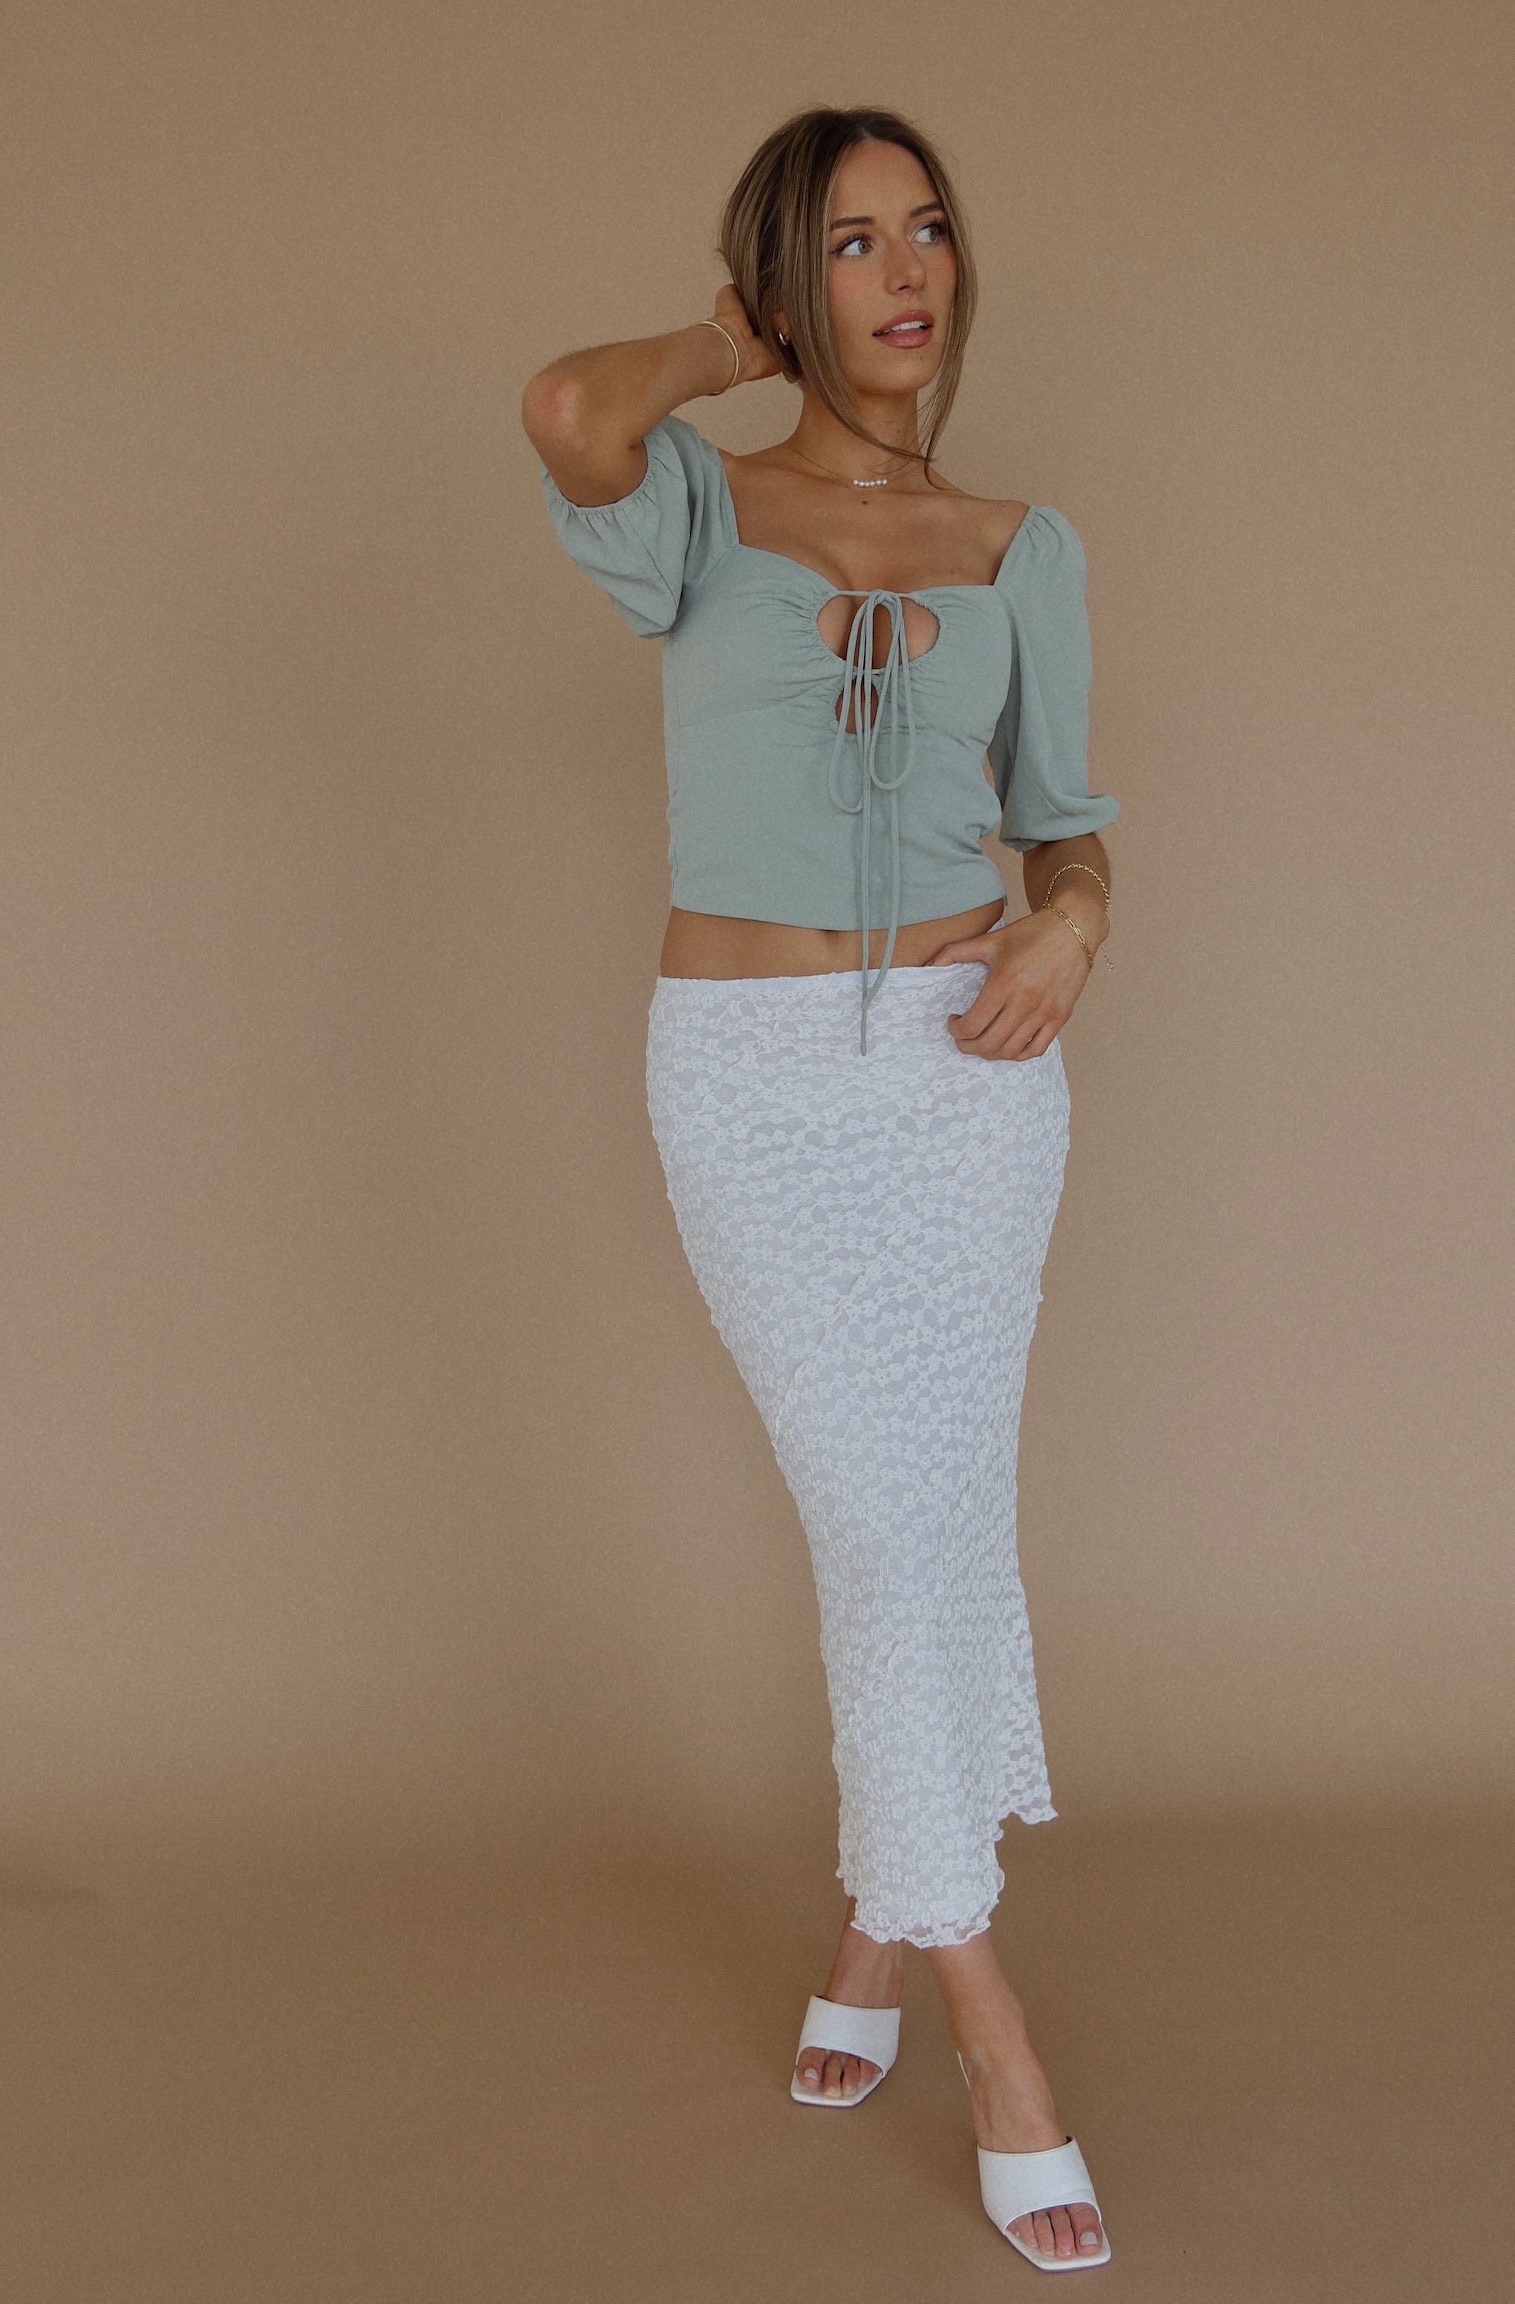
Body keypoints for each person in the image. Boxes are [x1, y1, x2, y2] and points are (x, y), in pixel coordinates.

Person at [521, 104, 1118, 2272]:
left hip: (972, 1085)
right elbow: (565, 410)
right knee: (879, 1519)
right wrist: (728, 339)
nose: (906, 270)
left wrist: (1075, 925)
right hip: (755, 1082)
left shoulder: (1022, 543)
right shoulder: (697, 501)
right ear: (789, 279)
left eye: (926, 227)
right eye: (851, 240)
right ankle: (993, 2027)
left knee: (929, 1523)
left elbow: (1066, 818)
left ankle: (881, 1929)